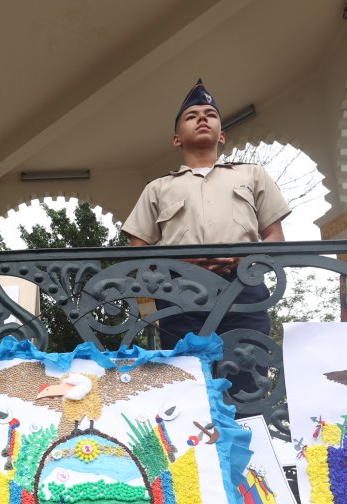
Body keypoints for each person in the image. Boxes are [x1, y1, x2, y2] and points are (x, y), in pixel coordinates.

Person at [122, 79, 290, 391]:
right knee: (189, 386)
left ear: (222, 134)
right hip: (180, 295)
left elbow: (275, 236)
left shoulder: (252, 175)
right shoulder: (158, 188)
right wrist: (176, 268)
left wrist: (244, 261)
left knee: (248, 379)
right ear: (176, 139)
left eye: (210, 114)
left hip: (243, 289)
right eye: (192, 116)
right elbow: (138, 247)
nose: (202, 118)